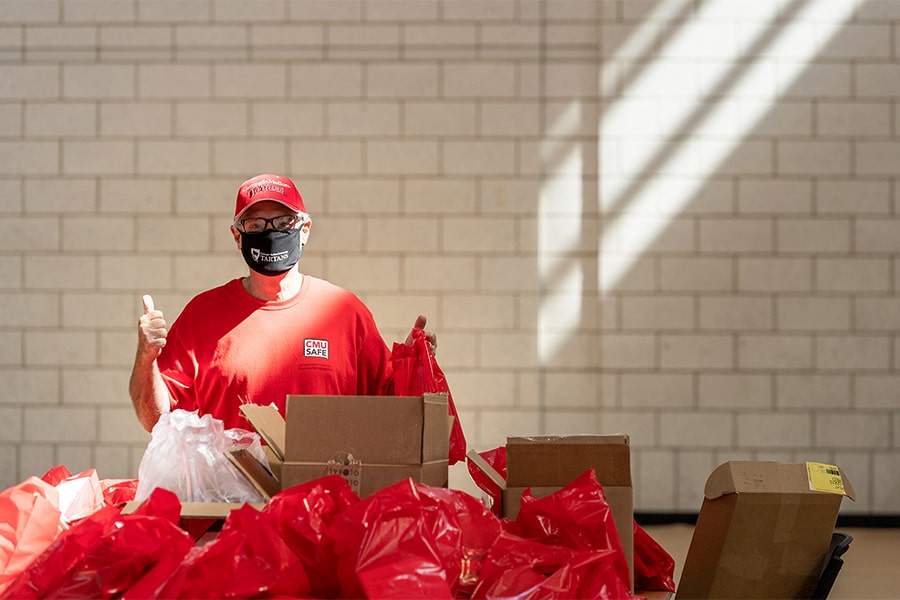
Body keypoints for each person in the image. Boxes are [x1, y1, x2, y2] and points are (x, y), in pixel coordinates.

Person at [129, 173, 436, 432]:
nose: (270, 232)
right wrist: (147, 358)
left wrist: (415, 365)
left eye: (283, 221)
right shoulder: (202, 315)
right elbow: (155, 419)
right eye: (256, 225)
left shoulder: (345, 312)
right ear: (238, 237)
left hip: (325, 500)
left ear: (304, 230)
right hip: (235, 501)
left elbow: (389, 412)